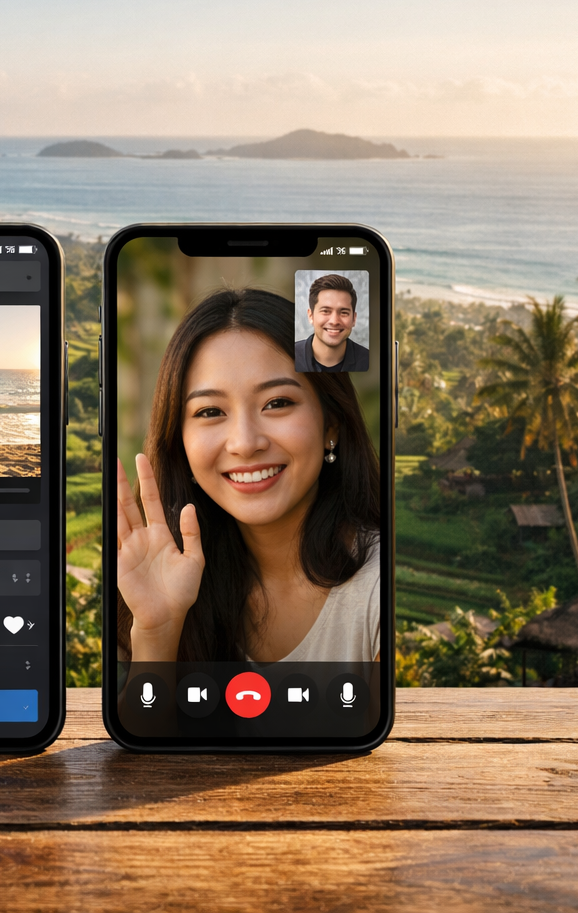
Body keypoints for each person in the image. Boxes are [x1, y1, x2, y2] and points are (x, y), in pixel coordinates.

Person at [116, 288, 381, 664]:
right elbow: (140, 721)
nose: (244, 443)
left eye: (277, 403)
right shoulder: (160, 581)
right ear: (181, 443)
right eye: (210, 412)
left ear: (331, 425)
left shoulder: (380, 591)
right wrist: (158, 633)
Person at [295, 273, 370, 373]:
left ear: (354, 319)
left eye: (344, 313)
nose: (334, 321)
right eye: (325, 311)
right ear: (310, 316)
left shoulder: (369, 361)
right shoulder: (289, 356)